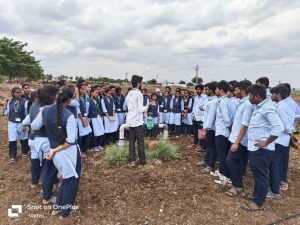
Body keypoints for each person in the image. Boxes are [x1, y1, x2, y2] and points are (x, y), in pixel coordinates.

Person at [31, 87, 82, 218]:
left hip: (55, 152)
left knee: (66, 178)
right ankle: (64, 213)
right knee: (72, 180)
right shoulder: (69, 116)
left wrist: (53, 149)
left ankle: (57, 207)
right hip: (67, 151)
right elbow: (70, 140)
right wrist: (55, 149)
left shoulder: (44, 110)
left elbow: (34, 126)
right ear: (69, 100)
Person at [241, 84, 284, 212]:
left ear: (257, 96)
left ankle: (258, 203)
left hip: (262, 150)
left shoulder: (267, 108)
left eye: (250, 95)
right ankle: (256, 195)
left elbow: (279, 127)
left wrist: (265, 142)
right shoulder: (260, 107)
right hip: (256, 149)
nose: (248, 98)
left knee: (261, 176)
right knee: (257, 174)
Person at [226, 80, 253, 197]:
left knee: (231, 161)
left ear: (242, 91)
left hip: (240, 140)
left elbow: (245, 124)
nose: (234, 92)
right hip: (236, 138)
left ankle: (237, 185)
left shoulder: (247, 104)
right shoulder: (242, 102)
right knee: (239, 161)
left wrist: (236, 142)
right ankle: (236, 180)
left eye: (236, 90)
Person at [268, 85, 293, 197]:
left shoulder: (281, 107)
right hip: (283, 140)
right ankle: (274, 187)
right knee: (276, 164)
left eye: (273, 94)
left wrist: (290, 133)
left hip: (280, 140)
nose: (271, 95)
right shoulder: (285, 105)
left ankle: (274, 190)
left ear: (278, 95)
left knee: (274, 164)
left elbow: (286, 125)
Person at [126, 75, 149, 167]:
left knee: (131, 141)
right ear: (139, 83)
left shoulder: (129, 93)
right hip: (137, 121)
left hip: (130, 119)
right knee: (140, 141)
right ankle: (142, 162)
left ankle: (132, 160)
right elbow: (140, 109)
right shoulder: (138, 93)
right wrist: (147, 106)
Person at [213, 80, 234, 185]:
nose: (215, 90)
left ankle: (225, 177)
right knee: (224, 155)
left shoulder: (223, 102)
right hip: (225, 132)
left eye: (216, 89)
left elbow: (226, 119)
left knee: (222, 156)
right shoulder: (229, 100)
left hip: (222, 132)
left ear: (220, 90)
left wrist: (228, 128)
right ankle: (224, 174)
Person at [3, 86, 29, 163]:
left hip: (22, 122)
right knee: (12, 139)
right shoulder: (10, 102)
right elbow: (5, 113)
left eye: (20, 92)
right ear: (13, 93)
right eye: (17, 92)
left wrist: (25, 124)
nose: (19, 94)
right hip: (12, 123)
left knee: (23, 137)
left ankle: (24, 152)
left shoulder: (25, 102)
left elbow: (27, 114)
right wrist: (5, 103)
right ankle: (12, 156)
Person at [202, 82, 218, 173]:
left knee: (212, 148)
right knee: (208, 147)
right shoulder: (210, 100)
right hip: (209, 127)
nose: (205, 91)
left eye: (207, 89)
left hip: (211, 128)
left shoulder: (213, 102)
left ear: (211, 90)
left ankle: (210, 166)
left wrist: (205, 129)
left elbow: (211, 117)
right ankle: (206, 161)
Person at [77, 83, 92, 157]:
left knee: (88, 134)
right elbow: (78, 110)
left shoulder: (85, 96)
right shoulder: (76, 98)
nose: (84, 90)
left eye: (84, 89)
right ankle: (80, 151)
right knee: (80, 136)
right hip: (79, 118)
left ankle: (84, 149)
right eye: (82, 89)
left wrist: (86, 119)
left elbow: (87, 108)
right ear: (78, 89)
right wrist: (83, 120)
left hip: (85, 117)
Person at [191, 84, 208, 150]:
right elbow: (194, 107)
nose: (197, 91)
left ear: (202, 90)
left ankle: (201, 146)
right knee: (195, 132)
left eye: (199, 89)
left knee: (201, 132)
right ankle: (195, 144)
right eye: (196, 89)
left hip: (201, 118)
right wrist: (192, 115)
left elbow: (205, 107)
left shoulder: (205, 97)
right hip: (195, 117)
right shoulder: (196, 97)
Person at [88, 86, 105, 151]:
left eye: (98, 93)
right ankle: (93, 146)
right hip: (92, 119)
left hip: (98, 118)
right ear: (91, 93)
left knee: (100, 132)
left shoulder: (97, 100)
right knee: (94, 133)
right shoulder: (88, 101)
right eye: (96, 93)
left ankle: (98, 144)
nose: (97, 94)